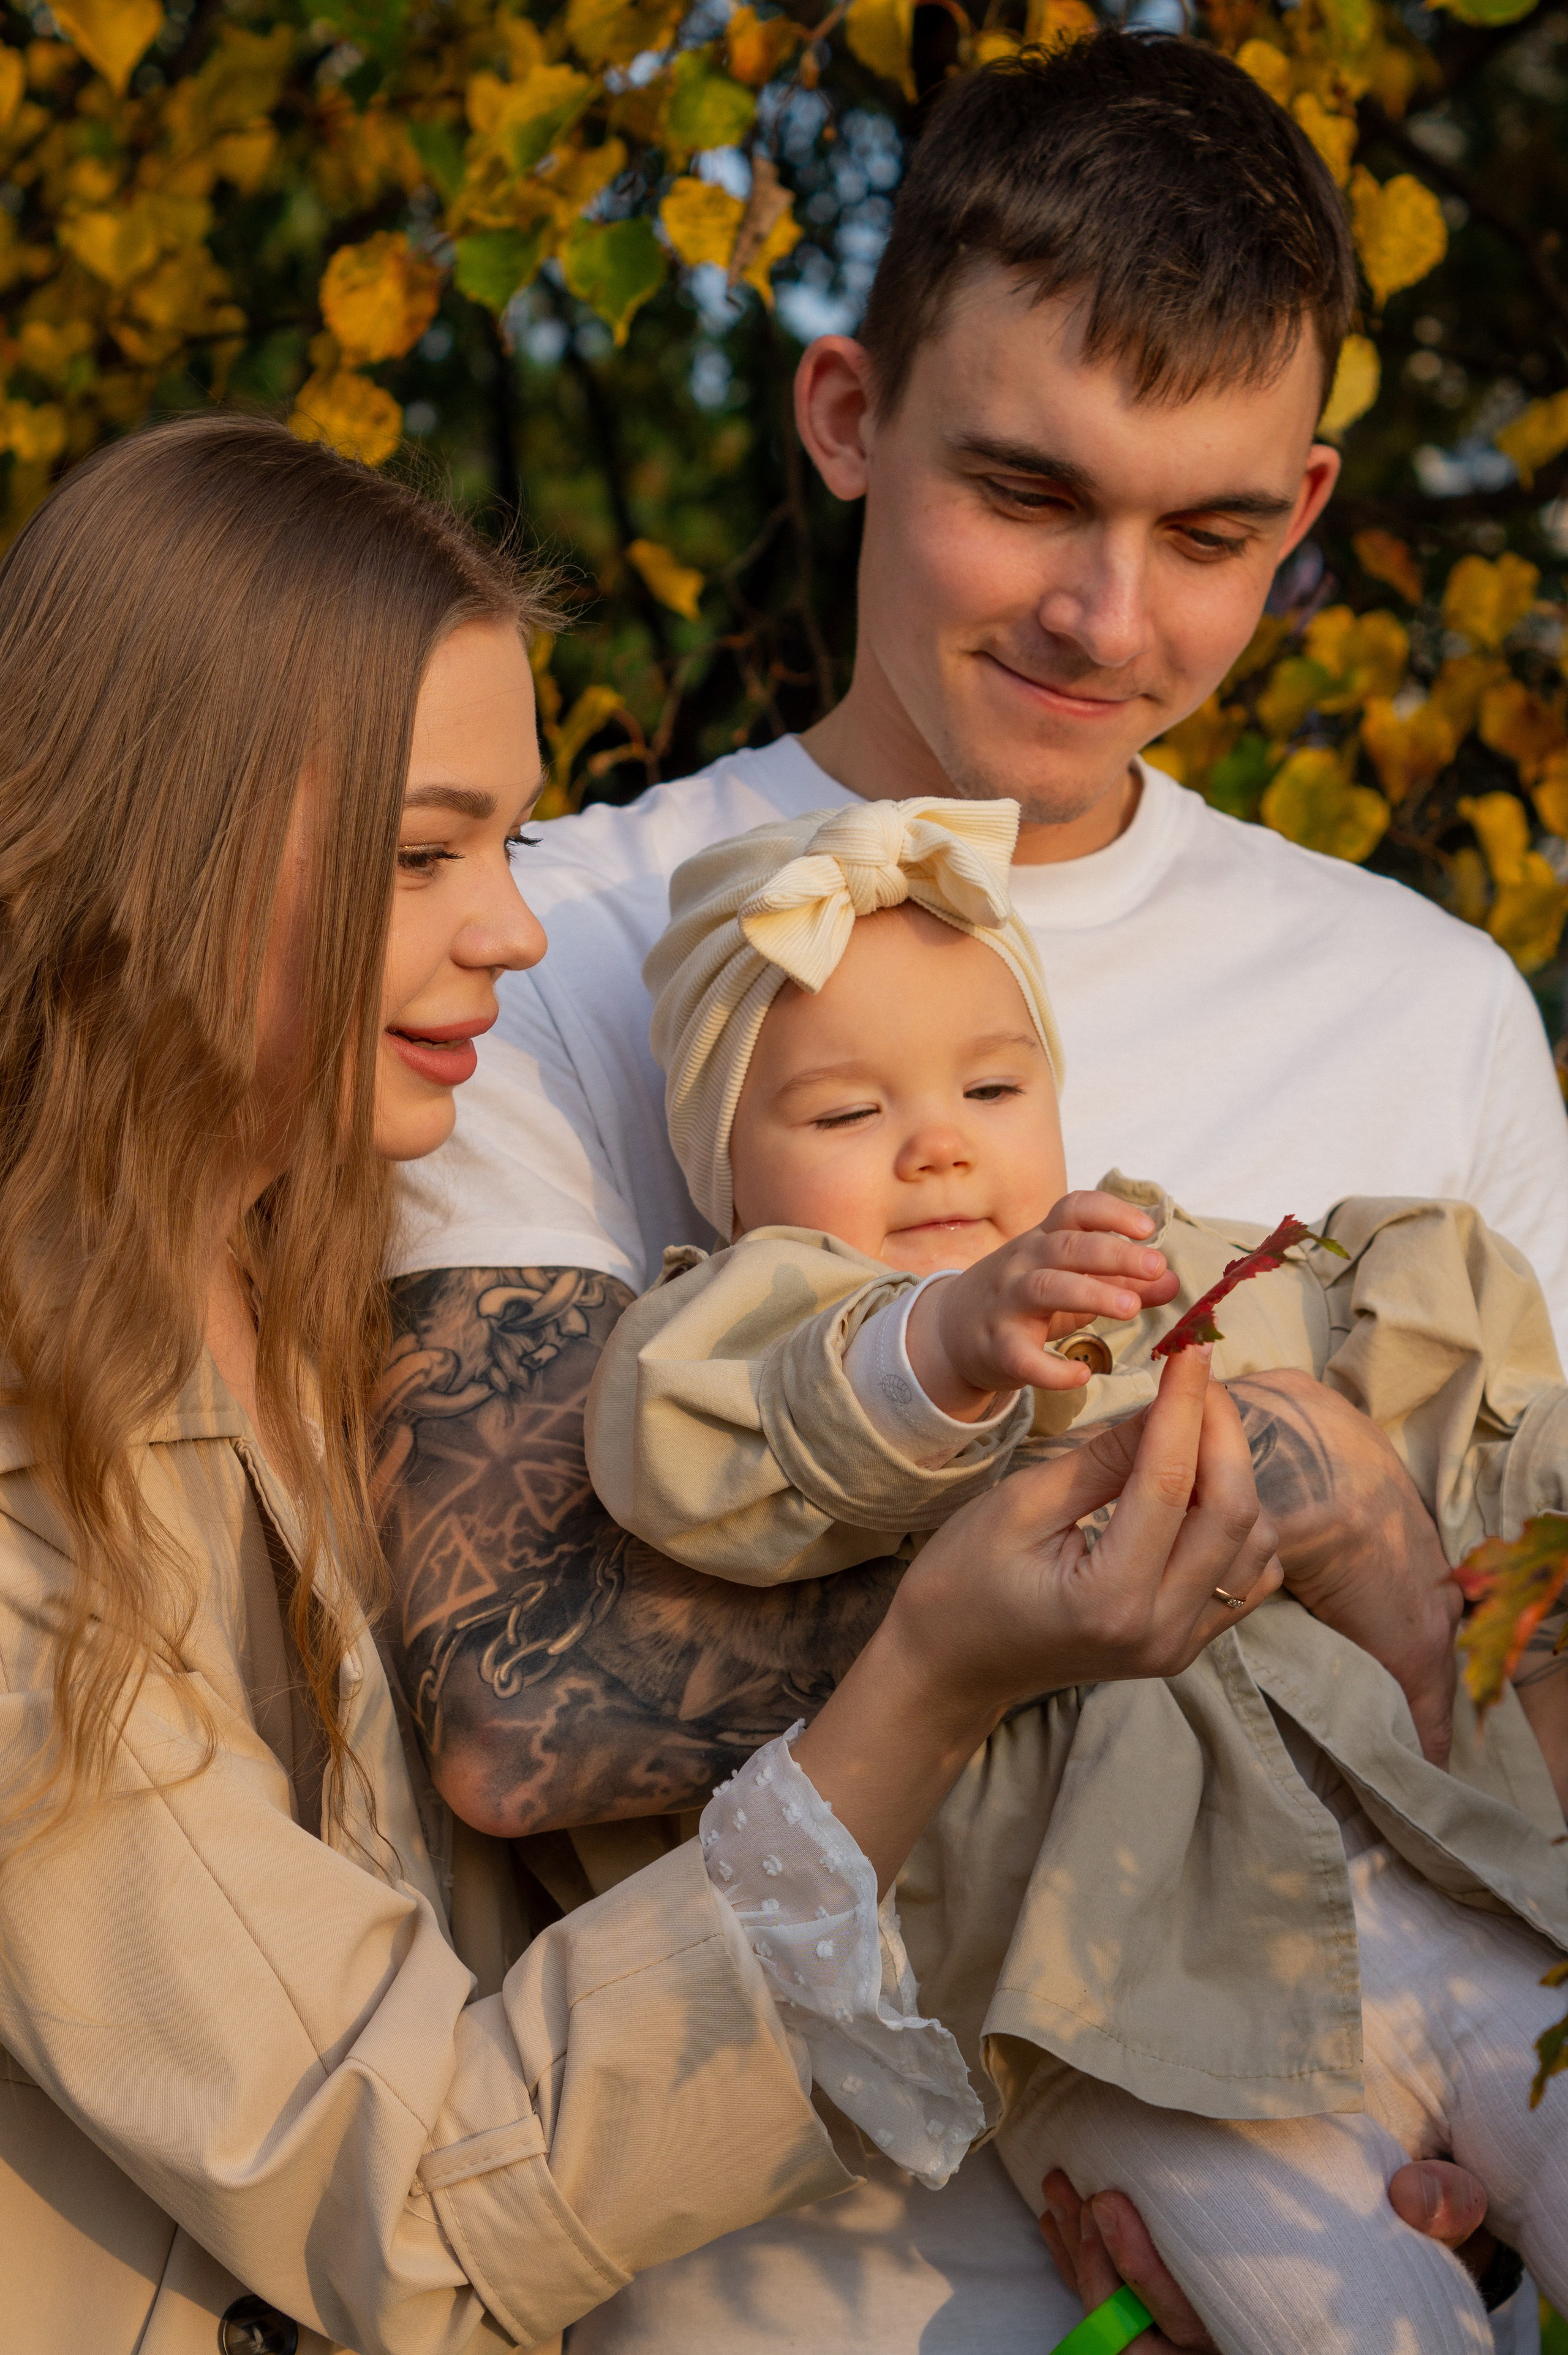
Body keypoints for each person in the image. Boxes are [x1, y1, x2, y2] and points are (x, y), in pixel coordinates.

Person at [379, 30, 1558, 2351]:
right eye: (1027, 492)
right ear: (844, 420)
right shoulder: (555, 951)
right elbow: (514, 1694)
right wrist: (1271, 1513)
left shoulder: (1429, 1005)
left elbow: (1515, 1656)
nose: (1109, 620)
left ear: (1307, 502)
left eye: (1212, 533)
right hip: (781, 2285)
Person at [0, 415, 1293, 2355]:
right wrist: (928, 1671)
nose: (513, 930)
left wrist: (1231, 2135)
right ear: (160, 838)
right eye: (421, 848)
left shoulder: (335, 1283)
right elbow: (423, 2194)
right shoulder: (34, 1476)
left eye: (509, 841)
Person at [582, 793, 1568, 2353]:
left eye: (991, 1082)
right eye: (844, 1117)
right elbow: (717, 1443)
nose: (938, 1142)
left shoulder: (1179, 1263)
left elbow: (1461, 1406)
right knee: (1354, 2325)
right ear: (725, 1173)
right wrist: (949, 1339)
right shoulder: (761, 1335)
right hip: (1120, 2021)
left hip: (1413, 1886)